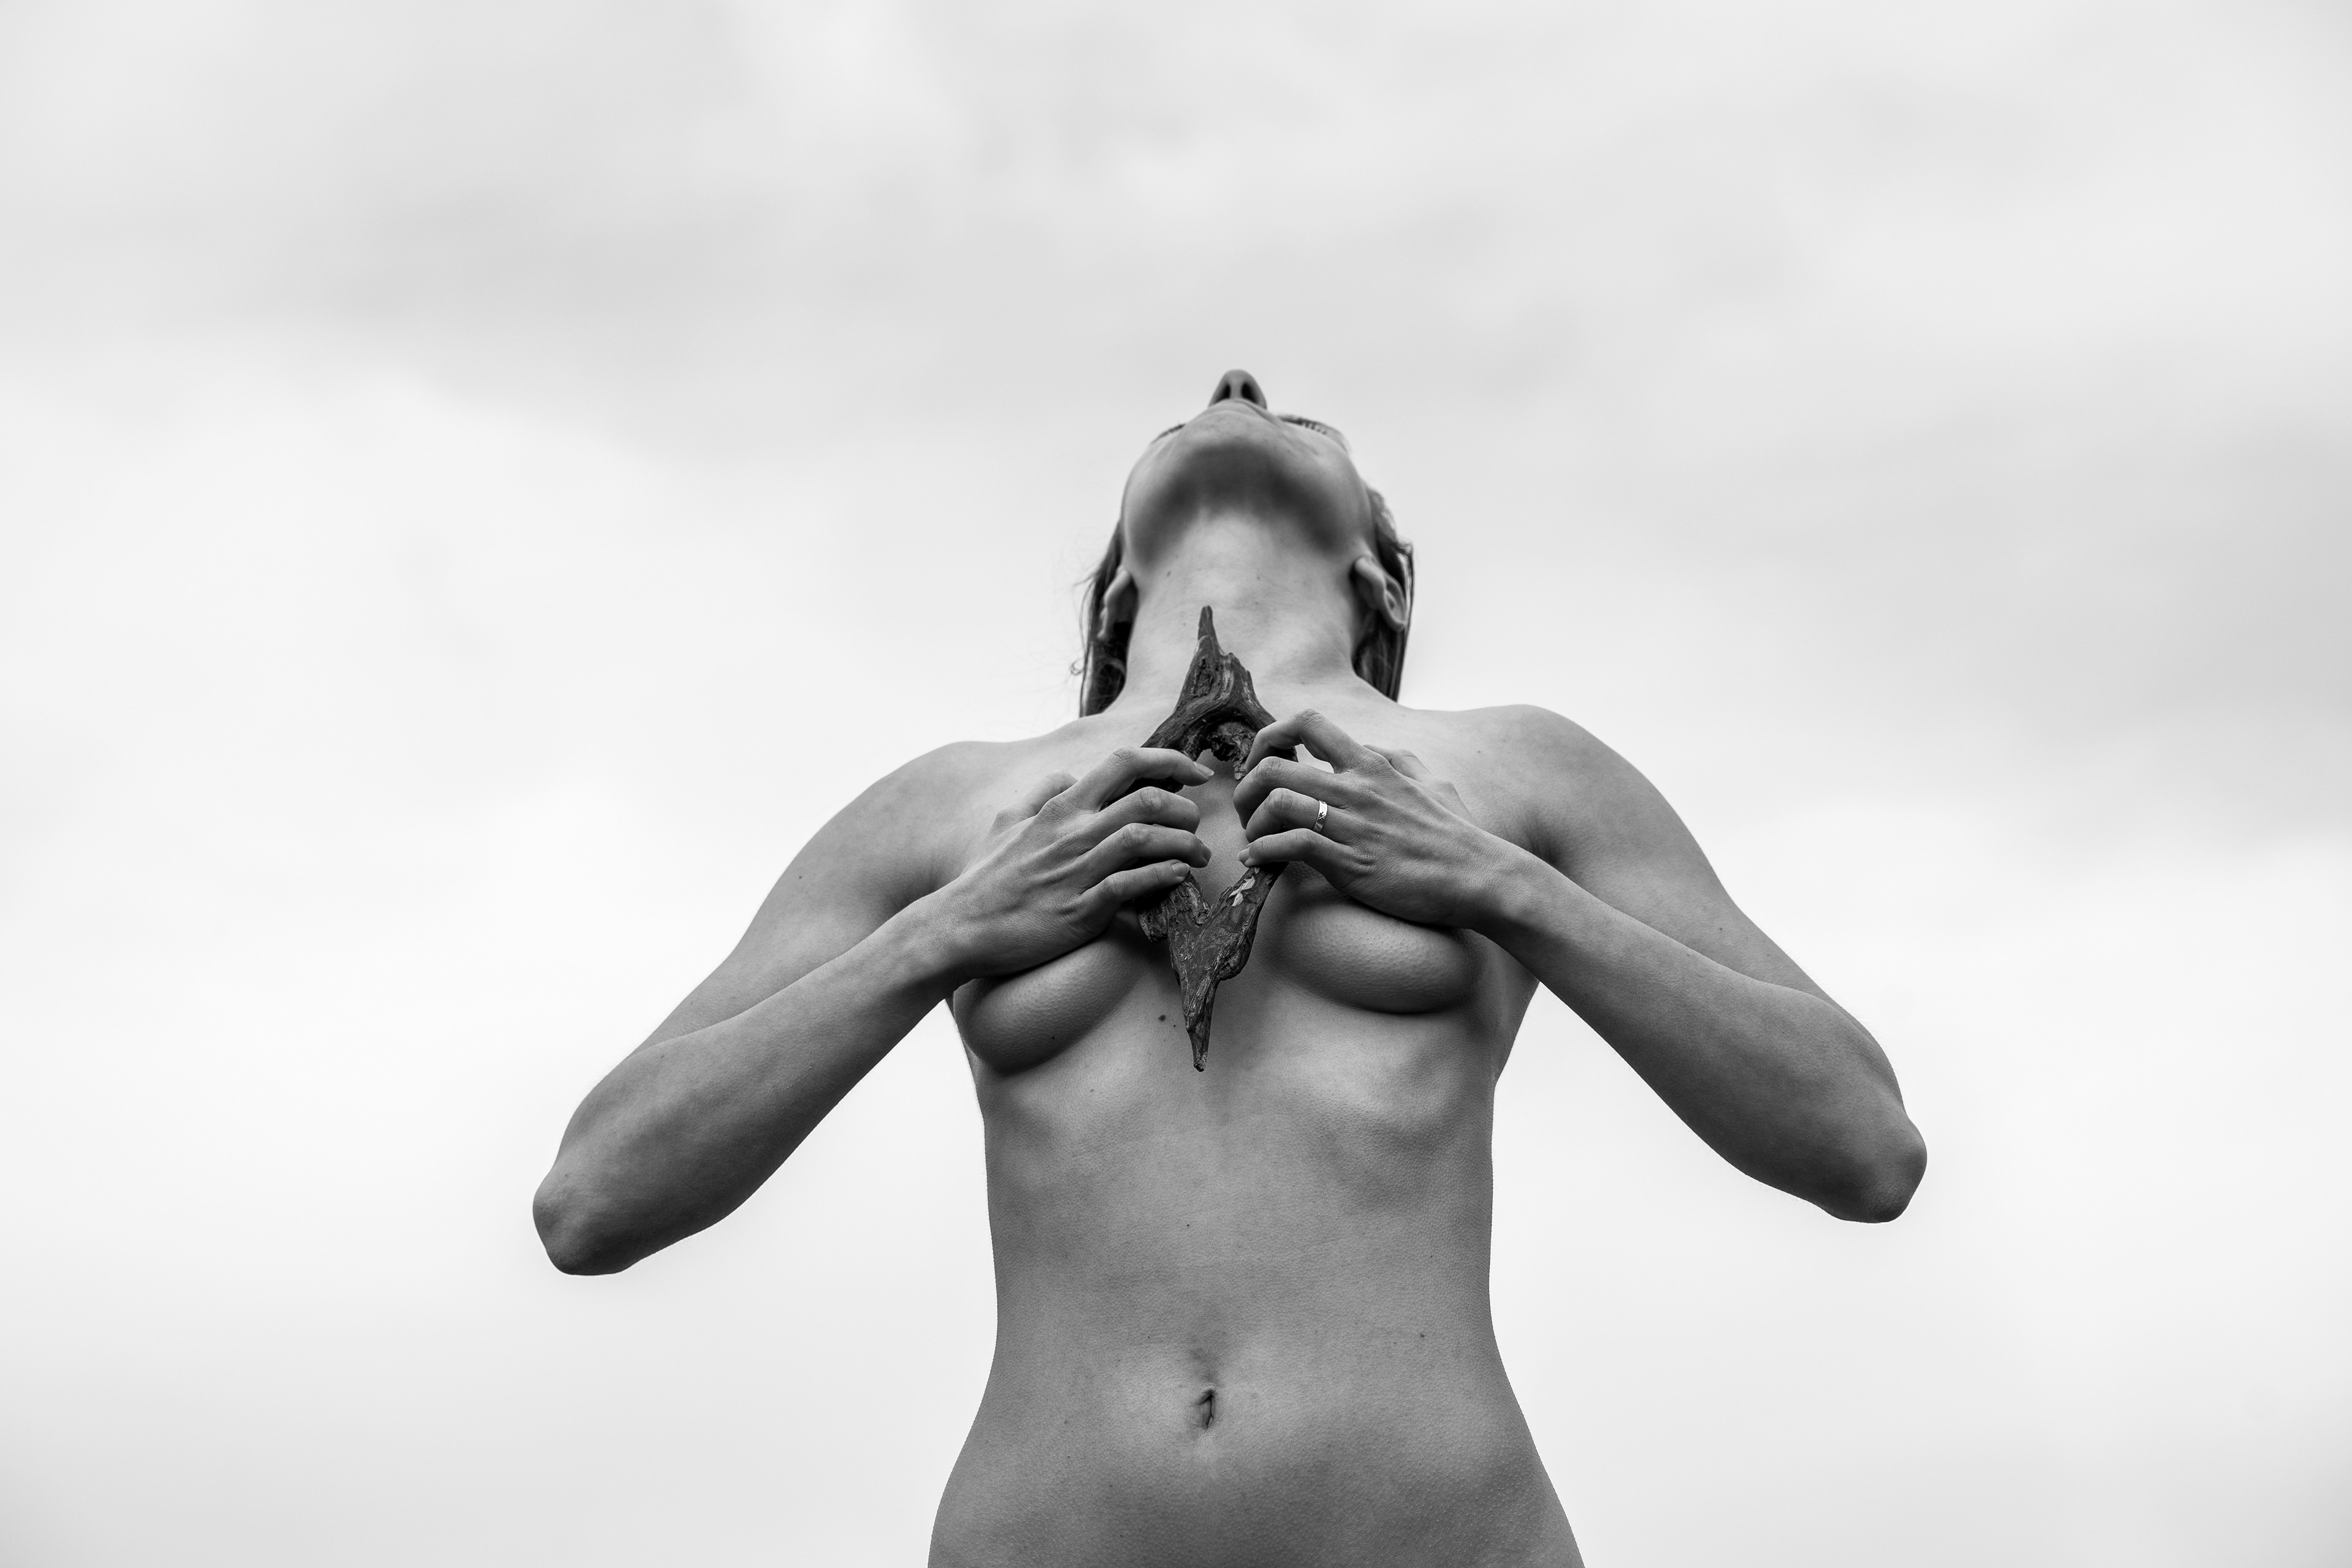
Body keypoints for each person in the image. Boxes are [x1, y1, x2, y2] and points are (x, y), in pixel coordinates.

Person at [532, 369, 1927, 1567]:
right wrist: (950, 928)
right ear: (1116, 593)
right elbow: (595, 1196)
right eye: (1208, 401)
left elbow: (1863, 1143)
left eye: (1296, 413)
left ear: (1381, 581)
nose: (1239, 381)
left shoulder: (1515, 770)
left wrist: (1495, 880)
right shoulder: (951, 808)